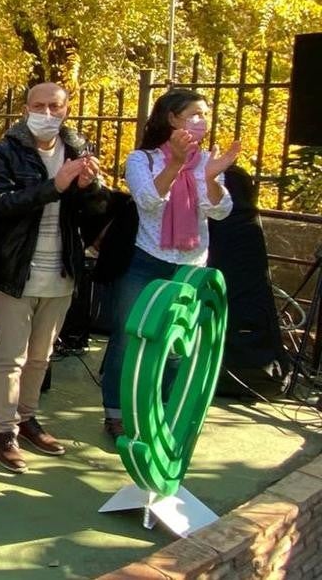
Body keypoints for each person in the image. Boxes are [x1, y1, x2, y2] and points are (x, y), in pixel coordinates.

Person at [0, 82, 106, 473]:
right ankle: (2, 431)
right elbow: (0, 206)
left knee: (41, 357)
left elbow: (94, 214)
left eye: (55, 106)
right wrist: (56, 185)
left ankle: (27, 417)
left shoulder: (77, 150)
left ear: (67, 110)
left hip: (61, 269)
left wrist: (90, 188)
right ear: (25, 109)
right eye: (39, 106)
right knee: (11, 357)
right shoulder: (3, 152)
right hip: (15, 270)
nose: (47, 113)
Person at [100, 89, 238, 436]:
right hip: (146, 260)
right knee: (128, 338)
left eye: (204, 114)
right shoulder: (141, 159)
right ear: (173, 118)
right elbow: (148, 201)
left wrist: (209, 179)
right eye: (193, 113)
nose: (201, 120)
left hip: (190, 265)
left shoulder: (207, 161)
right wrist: (176, 163)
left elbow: (219, 211)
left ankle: (158, 413)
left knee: (177, 344)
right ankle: (116, 412)